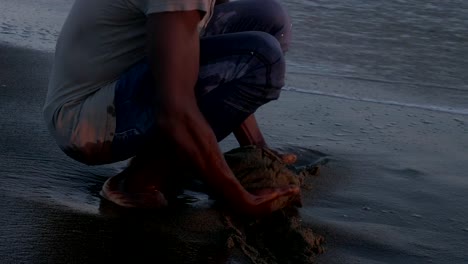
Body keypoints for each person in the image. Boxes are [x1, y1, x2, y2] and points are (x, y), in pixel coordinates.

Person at [43, 0, 300, 216]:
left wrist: (257, 150)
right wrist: (243, 201)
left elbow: (218, 59)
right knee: (263, 60)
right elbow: (174, 109)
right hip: (86, 121)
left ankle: (167, 155)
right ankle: (139, 180)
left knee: (270, 20)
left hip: (125, 79)